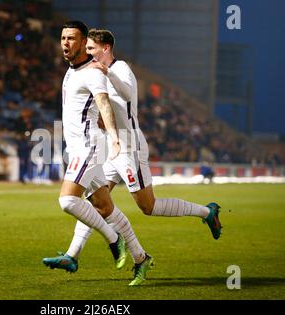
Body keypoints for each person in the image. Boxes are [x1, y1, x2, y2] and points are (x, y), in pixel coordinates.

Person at [46, 28, 223, 286]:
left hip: (129, 146)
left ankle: (206, 212)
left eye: (92, 49)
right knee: (97, 201)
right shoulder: (89, 72)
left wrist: (108, 76)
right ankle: (73, 255)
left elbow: (128, 95)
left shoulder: (120, 68)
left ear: (105, 48)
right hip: (107, 147)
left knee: (148, 207)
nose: (89, 53)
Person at [43, 21, 152, 284]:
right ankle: (140, 257)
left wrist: (114, 138)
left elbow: (104, 104)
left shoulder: (93, 72)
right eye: (63, 38)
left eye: (72, 39)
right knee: (105, 207)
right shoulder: (71, 71)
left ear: (84, 44)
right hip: (77, 147)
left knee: (67, 201)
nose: (66, 43)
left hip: (90, 146)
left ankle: (114, 241)